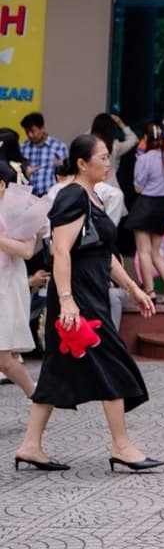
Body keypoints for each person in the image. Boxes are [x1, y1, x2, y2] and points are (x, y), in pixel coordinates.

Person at [16, 134, 160, 473]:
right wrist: (67, 302)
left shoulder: (93, 197)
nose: (109, 163)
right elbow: (61, 251)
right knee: (110, 359)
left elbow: (104, 254)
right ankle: (122, 445)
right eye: (103, 156)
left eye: (109, 156)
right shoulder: (72, 196)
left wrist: (134, 288)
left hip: (91, 292)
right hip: (78, 298)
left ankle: (30, 445)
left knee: (55, 370)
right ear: (82, 163)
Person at [123, 124, 164, 304]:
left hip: (145, 204)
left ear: (146, 139)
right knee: (156, 252)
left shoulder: (144, 158)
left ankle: (150, 291)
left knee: (144, 251)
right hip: (162, 206)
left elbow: (138, 186)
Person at [0, 161, 39, 399]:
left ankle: (38, 395)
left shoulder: (21, 211)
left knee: (4, 360)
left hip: (6, 287)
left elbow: (26, 251)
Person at [19, 112, 68, 197]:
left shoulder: (59, 147)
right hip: (27, 195)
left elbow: (66, 173)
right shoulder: (22, 148)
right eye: (27, 132)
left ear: (42, 128)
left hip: (50, 195)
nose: (30, 135)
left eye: (33, 131)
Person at [90, 113, 139, 191]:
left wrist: (98, 125)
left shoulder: (87, 146)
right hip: (111, 188)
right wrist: (120, 123)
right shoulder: (114, 147)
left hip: (92, 188)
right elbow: (134, 139)